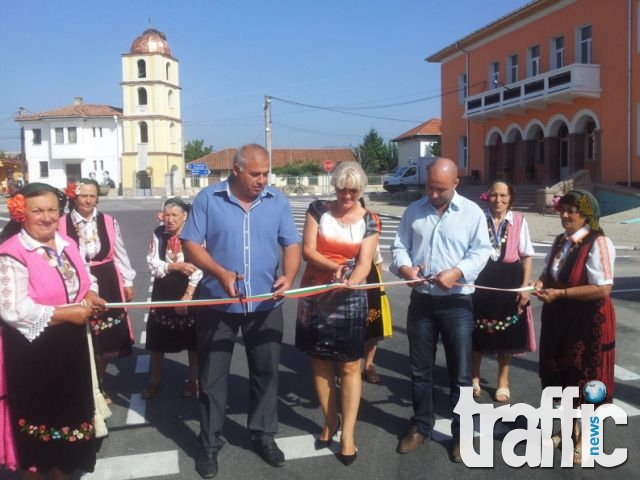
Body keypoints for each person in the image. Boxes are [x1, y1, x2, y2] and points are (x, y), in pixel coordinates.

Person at [181, 143, 301, 479]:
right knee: (212, 377)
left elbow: (291, 243)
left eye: (266, 173)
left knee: (266, 372)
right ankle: (209, 443)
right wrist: (220, 273)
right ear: (236, 170)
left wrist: (288, 275)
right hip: (217, 302)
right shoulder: (209, 199)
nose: (262, 180)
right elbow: (189, 243)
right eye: (255, 174)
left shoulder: (277, 201)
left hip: (265, 304)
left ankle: (263, 434)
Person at [0, 183, 106, 479]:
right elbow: (13, 309)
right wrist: (66, 313)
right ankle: (37, 470)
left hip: (70, 347)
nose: (46, 217)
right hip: (33, 352)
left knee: (68, 411)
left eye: (52, 210)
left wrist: (90, 294)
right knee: (40, 418)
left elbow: (86, 277)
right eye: (38, 211)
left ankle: (61, 468)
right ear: (22, 214)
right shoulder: (12, 253)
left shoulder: (67, 244)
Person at [390, 157, 491, 462]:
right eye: (429, 187)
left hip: (457, 304)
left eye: (440, 189)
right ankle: (421, 425)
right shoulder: (414, 211)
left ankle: (462, 434)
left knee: (460, 375)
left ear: (456, 184)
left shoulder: (472, 213)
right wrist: (406, 269)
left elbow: (481, 251)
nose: (432, 194)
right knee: (420, 370)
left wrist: (458, 271)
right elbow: (398, 247)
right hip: (421, 301)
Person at [295, 162, 380, 466]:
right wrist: (335, 271)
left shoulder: (370, 220)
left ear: (361, 191)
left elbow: (365, 263)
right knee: (319, 362)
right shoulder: (318, 209)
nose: (346, 195)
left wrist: (350, 283)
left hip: (350, 297)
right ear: (334, 187)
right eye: (341, 189)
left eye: (352, 190)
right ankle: (329, 421)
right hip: (316, 292)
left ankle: (348, 434)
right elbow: (308, 250)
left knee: (350, 367)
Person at [532, 189, 616, 465]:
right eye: (563, 210)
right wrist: (541, 283)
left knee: (587, 378)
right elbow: (548, 272)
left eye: (572, 211)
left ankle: (586, 438)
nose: (566, 216)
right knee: (565, 377)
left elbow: (602, 289)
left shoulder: (598, 243)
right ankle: (568, 430)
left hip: (588, 320)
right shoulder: (561, 241)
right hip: (560, 318)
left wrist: (562, 294)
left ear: (587, 215)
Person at [59, 178, 136, 404]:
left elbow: (120, 251)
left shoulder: (110, 221)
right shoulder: (61, 223)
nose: (89, 200)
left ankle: (99, 384)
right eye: (84, 196)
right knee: (80, 336)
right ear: (75, 196)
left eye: (93, 196)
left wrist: (128, 280)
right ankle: (82, 386)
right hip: (74, 281)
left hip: (107, 278)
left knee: (104, 338)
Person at [471, 180, 536, 402]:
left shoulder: (519, 221)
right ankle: (474, 377)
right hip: (480, 283)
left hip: (509, 284)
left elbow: (526, 256)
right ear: (486, 197)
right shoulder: (477, 218)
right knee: (475, 332)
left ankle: (503, 380)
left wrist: (525, 288)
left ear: (511, 198)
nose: (498, 200)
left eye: (503, 196)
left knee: (507, 334)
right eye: (493, 195)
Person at [141, 198, 203, 400]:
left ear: (185, 216)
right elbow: (152, 262)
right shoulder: (159, 233)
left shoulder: (195, 234)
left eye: (174, 215)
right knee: (158, 337)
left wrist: (188, 296)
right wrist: (173, 266)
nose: (169, 220)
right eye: (166, 215)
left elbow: (199, 267)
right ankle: (155, 381)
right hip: (164, 289)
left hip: (189, 288)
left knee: (193, 339)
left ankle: (193, 381)